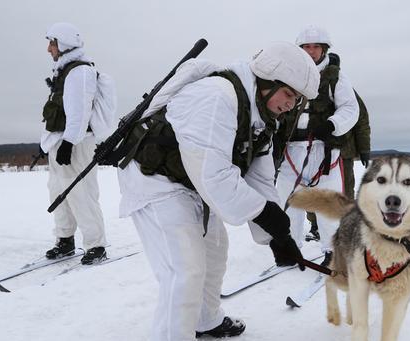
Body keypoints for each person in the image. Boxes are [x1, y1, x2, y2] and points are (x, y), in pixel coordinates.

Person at [115, 42, 319, 340]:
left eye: (297, 99)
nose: (291, 104)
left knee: (214, 250)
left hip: (190, 182)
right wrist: (264, 214)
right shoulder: (216, 96)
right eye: (289, 94)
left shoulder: (261, 117)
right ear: (267, 81)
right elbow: (215, 175)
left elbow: (259, 179)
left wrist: (278, 237)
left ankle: (206, 320)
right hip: (155, 180)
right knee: (184, 270)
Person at [273, 26, 359, 267]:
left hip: (324, 151)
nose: (311, 52)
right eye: (306, 47)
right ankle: (290, 247)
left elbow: (351, 109)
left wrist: (332, 125)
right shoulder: (287, 74)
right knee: (288, 199)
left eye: (315, 47)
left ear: (324, 50)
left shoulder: (336, 77)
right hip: (291, 150)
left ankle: (333, 252)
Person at [40, 22, 109, 265]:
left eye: (52, 42)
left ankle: (96, 245)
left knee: (82, 192)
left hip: (77, 142)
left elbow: (79, 112)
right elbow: (57, 111)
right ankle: (65, 239)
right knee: (57, 190)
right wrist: (46, 143)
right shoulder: (64, 70)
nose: (49, 48)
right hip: (60, 141)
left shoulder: (79, 72)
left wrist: (69, 142)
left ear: (64, 43)